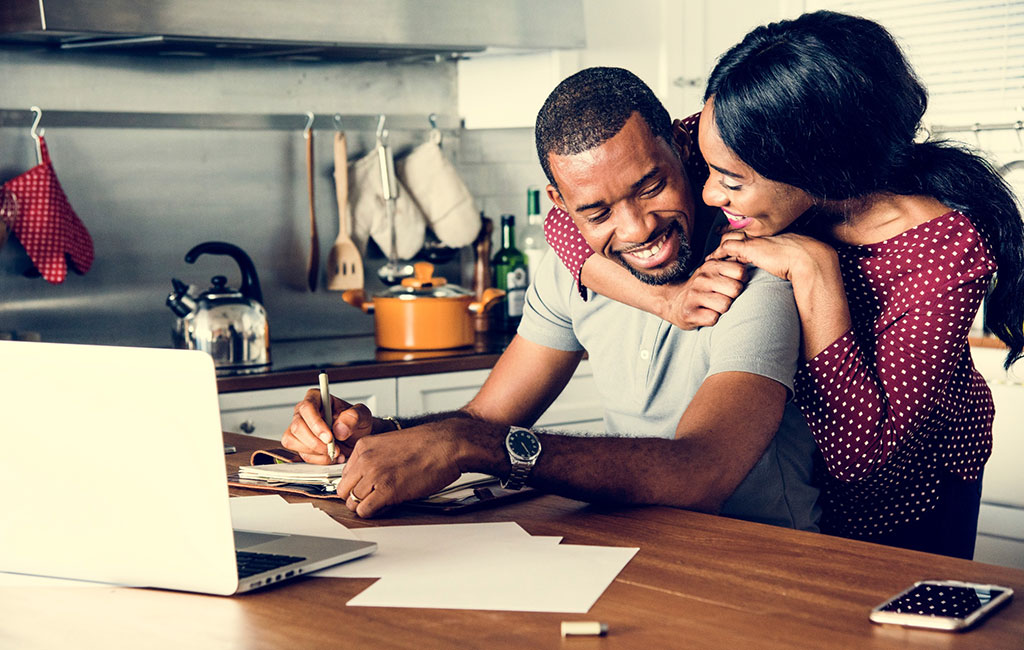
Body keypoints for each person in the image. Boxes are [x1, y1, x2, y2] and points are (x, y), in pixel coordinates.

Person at [542, 11, 1024, 559]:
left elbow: (860, 456)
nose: (709, 195)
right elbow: (565, 222)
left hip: (910, 498)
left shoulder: (943, 251)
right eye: (710, 170)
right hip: (798, 485)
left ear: (816, 166)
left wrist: (816, 272)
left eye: (733, 182)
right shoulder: (728, 138)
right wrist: (666, 300)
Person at [282, 67, 821, 531]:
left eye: (650, 187)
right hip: (647, 549)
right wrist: (380, 436)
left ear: (684, 149)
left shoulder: (752, 267)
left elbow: (701, 472)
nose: (637, 229)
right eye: (597, 212)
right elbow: (484, 418)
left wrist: (474, 444)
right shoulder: (569, 274)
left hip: (766, 560)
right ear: (561, 205)